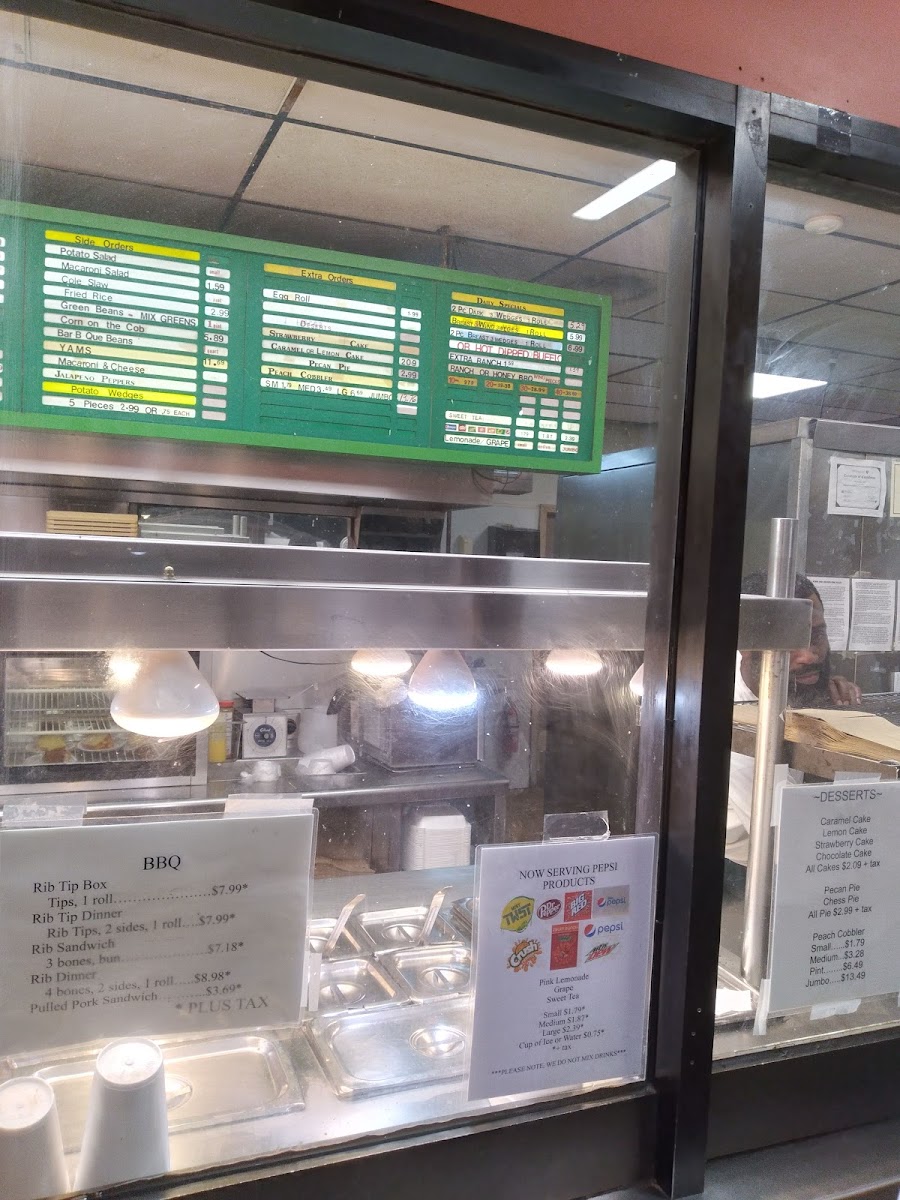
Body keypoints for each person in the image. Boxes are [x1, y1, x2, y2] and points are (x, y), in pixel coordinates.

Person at [725, 572, 861, 869]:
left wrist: (830, 705)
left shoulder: (776, 679)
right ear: (745, 645)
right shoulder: (735, 724)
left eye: (817, 635)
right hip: (743, 867)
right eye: (791, 640)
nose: (810, 655)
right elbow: (792, 847)